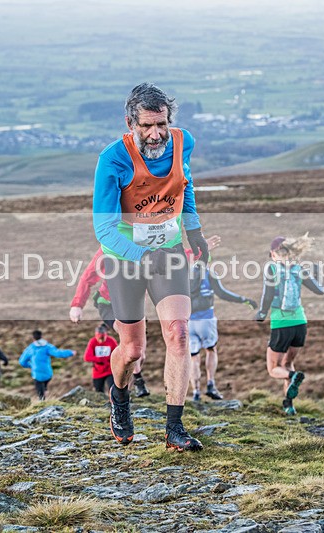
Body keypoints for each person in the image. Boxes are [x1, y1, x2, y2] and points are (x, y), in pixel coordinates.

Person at [93, 83, 209, 451]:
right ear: (129, 123)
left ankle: (174, 428)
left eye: (161, 123)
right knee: (133, 351)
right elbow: (104, 228)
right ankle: (120, 398)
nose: (155, 133)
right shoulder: (113, 160)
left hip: (169, 250)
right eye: (146, 126)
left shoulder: (182, 142)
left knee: (178, 333)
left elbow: (184, 184)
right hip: (125, 258)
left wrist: (194, 230)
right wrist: (143, 256)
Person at [256, 235, 324, 416]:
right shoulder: (299, 269)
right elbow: (319, 290)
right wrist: (319, 275)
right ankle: (289, 405)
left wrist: (262, 313)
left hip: (281, 323)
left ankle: (293, 377)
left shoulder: (271, 268)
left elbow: (268, 294)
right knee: (288, 363)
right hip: (300, 324)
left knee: (274, 369)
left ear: (273, 253)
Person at [70, 248, 150, 397]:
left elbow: (176, 257)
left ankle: (129, 389)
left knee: (139, 354)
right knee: (130, 341)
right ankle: (137, 382)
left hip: (133, 307)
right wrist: (77, 305)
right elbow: (88, 277)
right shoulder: (110, 246)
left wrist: (199, 250)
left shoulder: (149, 243)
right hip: (108, 304)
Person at [186, 239, 257, 402]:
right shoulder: (209, 273)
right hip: (207, 318)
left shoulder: (183, 274)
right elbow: (223, 293)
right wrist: (244, 300)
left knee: (194, 357)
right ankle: (211, 384)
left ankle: (196, 392)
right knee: (211, 350)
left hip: (189, 321)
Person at [19, 330, 74, 400]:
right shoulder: (47, 346)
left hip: (37, 374)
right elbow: (58, 353)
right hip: (47, 373)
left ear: (33, 338)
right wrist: (70, 352)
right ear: (41, 336)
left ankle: (42, 401)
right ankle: (45, 391)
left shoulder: (31, 348)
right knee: (44, 386)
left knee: (40, 393)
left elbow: (22, 362)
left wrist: (31, 365)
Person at [83, 324, 118, 393]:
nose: (101, 341)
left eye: (103, 338)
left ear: (106, 334)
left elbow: (117, 355)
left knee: (113, 389)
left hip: (110, 370)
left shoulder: (111, 341)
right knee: (98, 391)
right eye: (99, 338)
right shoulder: (92, 342)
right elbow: (87, 357)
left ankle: (114, 402)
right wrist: (100, 359)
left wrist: (107, 359)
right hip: (97, 371)